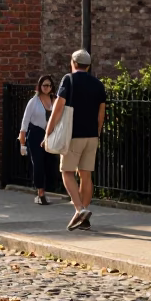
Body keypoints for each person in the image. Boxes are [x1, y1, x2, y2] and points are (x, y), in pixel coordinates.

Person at [45, 49, 106, 231]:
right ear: (88, 65)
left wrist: (48, 132)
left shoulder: (68, 80)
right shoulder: (98, 84)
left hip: (73, 135)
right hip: (92, 135)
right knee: (86, 175)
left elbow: (58, 108)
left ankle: (80, 209)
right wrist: (97, 132)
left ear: (73, 63)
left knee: (67, 172)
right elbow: (101, 113)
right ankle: (84, 219)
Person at [18, 74, 58, 204]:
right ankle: (41, 193)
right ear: (40, 86)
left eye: (49, 85)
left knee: (50, 163)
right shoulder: (33, 101)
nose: (47, 88)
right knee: (38, 163)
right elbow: (24, 123)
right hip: (36, 134)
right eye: (44, 85)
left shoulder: (55, 100)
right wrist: (22, 143)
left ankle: (47, 189)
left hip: (50, 135)